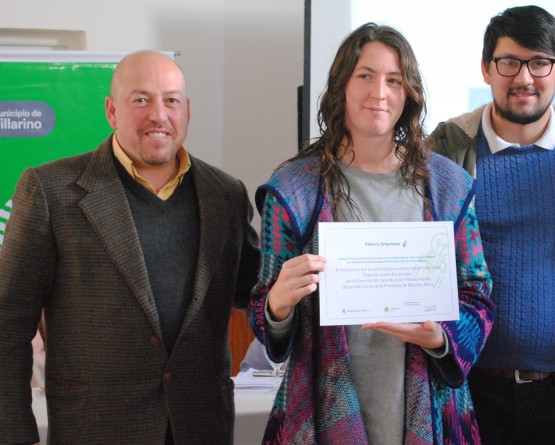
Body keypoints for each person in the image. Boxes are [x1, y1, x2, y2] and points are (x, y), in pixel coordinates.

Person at [249, 23, 494, 444]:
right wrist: (278, 303)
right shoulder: (292, 190)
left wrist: (441, 338)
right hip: (322, 410)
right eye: (365, 75)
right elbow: (263, 311)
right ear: (342, 85)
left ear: (408, 94)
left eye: (394, 80)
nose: (379, 92)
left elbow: (478, 295)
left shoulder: (448, 186)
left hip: (429, 408)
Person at [0, 50, 260, 445]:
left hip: (201, 426)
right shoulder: (50, 190)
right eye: (141, 99)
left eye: (171, 100)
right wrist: (13, 434)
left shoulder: (225, 194)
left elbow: (253, 291)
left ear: (187, 111)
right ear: (112, 111)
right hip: (96, 429)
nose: (159, 114)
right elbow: (8, 322)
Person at [430, 5, 555, 444]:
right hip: (468, 386)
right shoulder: (447, 151)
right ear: (486, 69)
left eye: (539, 62)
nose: (524, 77)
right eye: (509, 62)